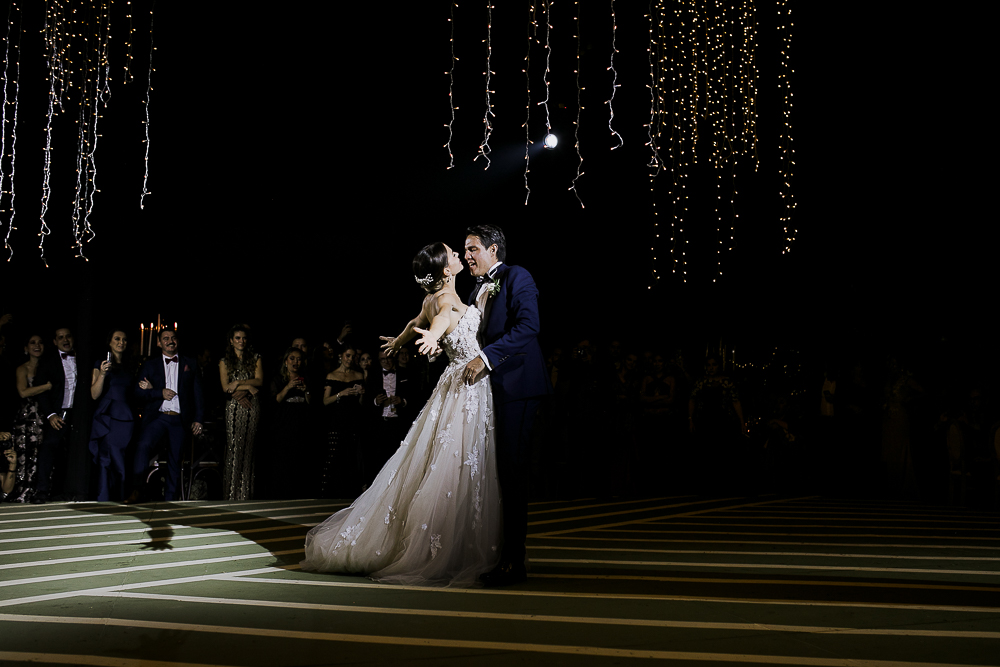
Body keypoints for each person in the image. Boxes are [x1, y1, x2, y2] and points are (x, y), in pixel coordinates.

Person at [302, 241, 501, 587]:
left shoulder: (432, 298)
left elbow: (417, 320)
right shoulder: (445, 299)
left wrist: (401, 339)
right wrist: (431, 337)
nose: (458, 256)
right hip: (466, 385)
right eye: (453, 254)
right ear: (444, 270)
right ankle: (447, 548)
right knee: (456, 461)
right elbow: (438, 320)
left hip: (457, 382)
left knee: (446, 460)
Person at [462, 224, 551, 585]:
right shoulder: (474, 290)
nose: (466, 255)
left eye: (472, 249)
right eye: (464, 250)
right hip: (486, 392)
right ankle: (492, 553)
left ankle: (515, 561)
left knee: (512, 472)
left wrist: (485, 358)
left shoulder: (517, 277)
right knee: (492, 473)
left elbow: (529, 326)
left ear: (493, 249)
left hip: (517, 386)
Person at [128, 328, 204, 503]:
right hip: (158, 417)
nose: (170, 341)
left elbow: (198, 394)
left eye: (173, 338)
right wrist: (158, 392)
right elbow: (137, 394)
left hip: (179, 418)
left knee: (175, 458)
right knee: (143, 445)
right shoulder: (150, 365)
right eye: (166, 338)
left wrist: (198, 418)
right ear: (159, 343)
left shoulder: (189, 363)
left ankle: (170, 500)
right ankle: (137, 490)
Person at [34, 327, 86, 503]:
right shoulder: (48, 362)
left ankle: (68, 491)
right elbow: (40, 391)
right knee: (49, 448)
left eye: (68, 336)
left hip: (78, 414)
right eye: (60, 337)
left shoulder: (82, 358)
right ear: (55, 341)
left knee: (73, 453)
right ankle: (42, 491)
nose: (65, 340)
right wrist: (50, 414)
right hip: (58, 413)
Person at [89, 330, 136, 502]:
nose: (121, 342)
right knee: (107, 458)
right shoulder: (100, 364)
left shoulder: (130, 366)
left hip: (126, 419)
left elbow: (133, 392)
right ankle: (105, 499)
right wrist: (102, 374)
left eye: (124, 339)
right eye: (117, 339)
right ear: (109, 342)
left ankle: (119, 497)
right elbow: (94, 394)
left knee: (121, 458)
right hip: (108, 416)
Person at [219, 324, 263, 501]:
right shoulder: (224, 361)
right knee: (234, 449)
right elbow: (225, 388)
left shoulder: (256, 358)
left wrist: (238, 384)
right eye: (237, 338)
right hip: (233, 408)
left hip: (252, 406)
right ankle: (230, 495)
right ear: (231, 341)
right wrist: (247, 386)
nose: (241, 341)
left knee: (249, 449)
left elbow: (259, 381)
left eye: (244, 338)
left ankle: (246, 495)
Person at [8, 334, 52, 503]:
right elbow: (23, 392)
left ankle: (39, 490)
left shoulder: (47, 366)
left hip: (43, 416)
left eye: (40, 342)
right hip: (26, 418)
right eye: (33, 343)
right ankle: (23, 490)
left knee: (41, 453)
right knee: (25, 453)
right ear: (26, 348)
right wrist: (46, 386)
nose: (37, 345)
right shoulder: (22, 368)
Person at [364, 348, 414, 487]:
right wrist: (376, 401)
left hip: (398, 423)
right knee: (377, 459)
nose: (386, 362)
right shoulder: (373, 376)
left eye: (389, 358)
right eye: (383, 359)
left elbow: (415, 397)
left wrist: (402, 401)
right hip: (379, 423)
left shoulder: (405, 374)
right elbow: (366, 400)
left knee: (396, 458)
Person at [319, 346, 365, 497]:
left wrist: (362, 394)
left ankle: (350, 492)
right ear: (341, 356)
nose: (350, 359)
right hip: (336, 419)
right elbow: (325, 401)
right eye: (347, 356)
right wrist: (341, 393)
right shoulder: (332, 375)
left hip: (353, 419)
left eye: (353, 356)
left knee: (351, 456)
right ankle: (329, 493)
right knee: (333, 456)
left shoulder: (359, 375)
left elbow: (361, 403)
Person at [269, 347, 311, 498]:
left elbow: (311, 403)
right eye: (292, 358)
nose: (295, 362)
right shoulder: (278, 379)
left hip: (300, 425)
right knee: (282, 461)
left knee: (299, 461)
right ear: (286, 361)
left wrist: (306, 390)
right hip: (283, 425)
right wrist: (288, 387)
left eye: (299, 359)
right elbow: (275, 401)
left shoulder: (306, 378)